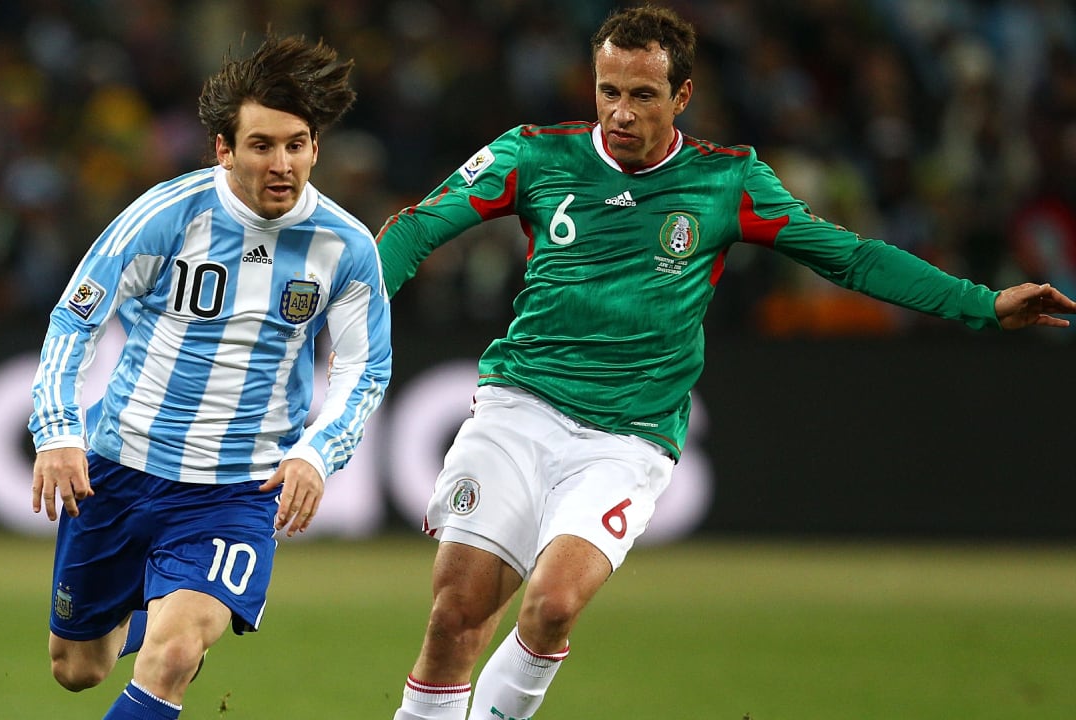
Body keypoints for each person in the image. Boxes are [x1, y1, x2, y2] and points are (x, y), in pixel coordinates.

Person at [375, 5, 1076, 720]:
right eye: (608, 90)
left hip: (626, 439)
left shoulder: (727, 182)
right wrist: (355, 314)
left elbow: (852, 257)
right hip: (519, 407)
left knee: (553, 605)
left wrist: (981, 304)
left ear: (681, 96)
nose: (620, 112)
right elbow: (421, 225)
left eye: (642, 95)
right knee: (455, 614)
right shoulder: (534, 156)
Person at [28, 34, 391, 720]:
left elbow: (366, 367)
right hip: (119, 467)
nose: (281, 164)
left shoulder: (344, 248)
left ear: (316, 146)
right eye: (261, 145)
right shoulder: (168, 214)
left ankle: (176, 611)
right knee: (77, 667)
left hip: (235, 488)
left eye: (296, 144)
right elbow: (76, 320)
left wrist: (317, 452)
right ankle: (154, 600)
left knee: (174, 654)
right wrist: (57, 431)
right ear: (224, 149)